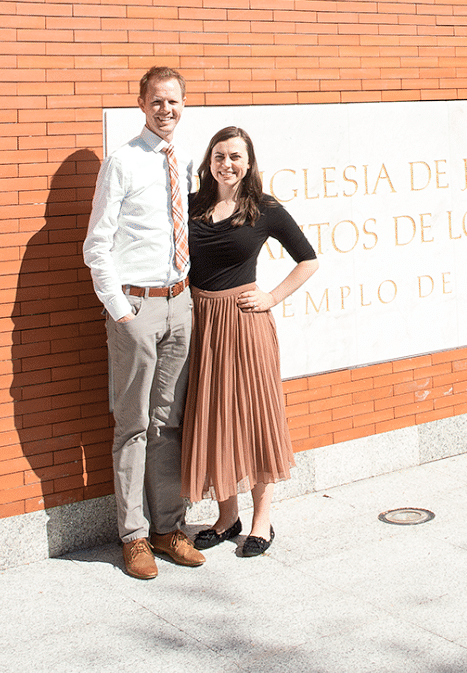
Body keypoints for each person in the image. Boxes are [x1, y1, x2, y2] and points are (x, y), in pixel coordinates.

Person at [83, 66, 204, 580]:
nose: (166, 110)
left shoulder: (187, 162)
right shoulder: (123, 162)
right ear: (141, 103)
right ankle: (133, 536)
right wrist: (122, 313)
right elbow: (96, 245)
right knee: (132, 425)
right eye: (157, 101)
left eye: (174, 102)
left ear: (183, 105)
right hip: (137, 309)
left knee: (167, 423)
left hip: (181, 304)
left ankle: (168, 528)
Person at [182, 125, 318, 556]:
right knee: (213, 415)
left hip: (244, 325)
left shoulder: (264, 209)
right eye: (219, 156)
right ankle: (227, 516)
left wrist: (271, 297)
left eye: (235, 157)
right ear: (209, 161)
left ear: (248, 163)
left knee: (254, 415)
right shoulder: (191, 207)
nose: (227, 164)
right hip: (202, 322)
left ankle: (262, 520)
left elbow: (308, 260)